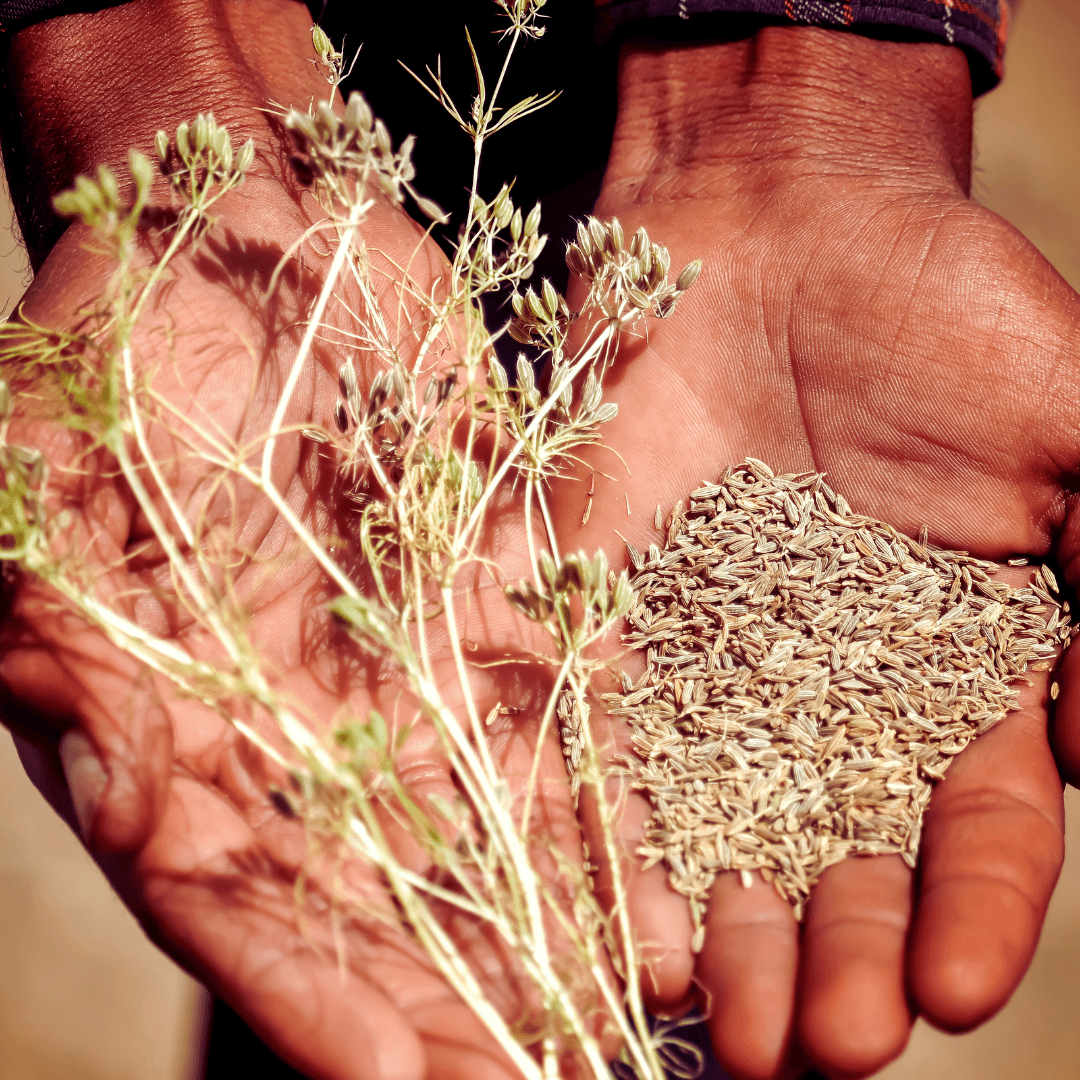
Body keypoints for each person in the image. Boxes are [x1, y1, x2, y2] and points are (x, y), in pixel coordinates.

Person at [1, 1, 1078, 1079]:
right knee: (384, 816)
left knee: (653, 923)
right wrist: (155, 78)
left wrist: (815, 77)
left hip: (604, 195)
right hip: (388, 160)